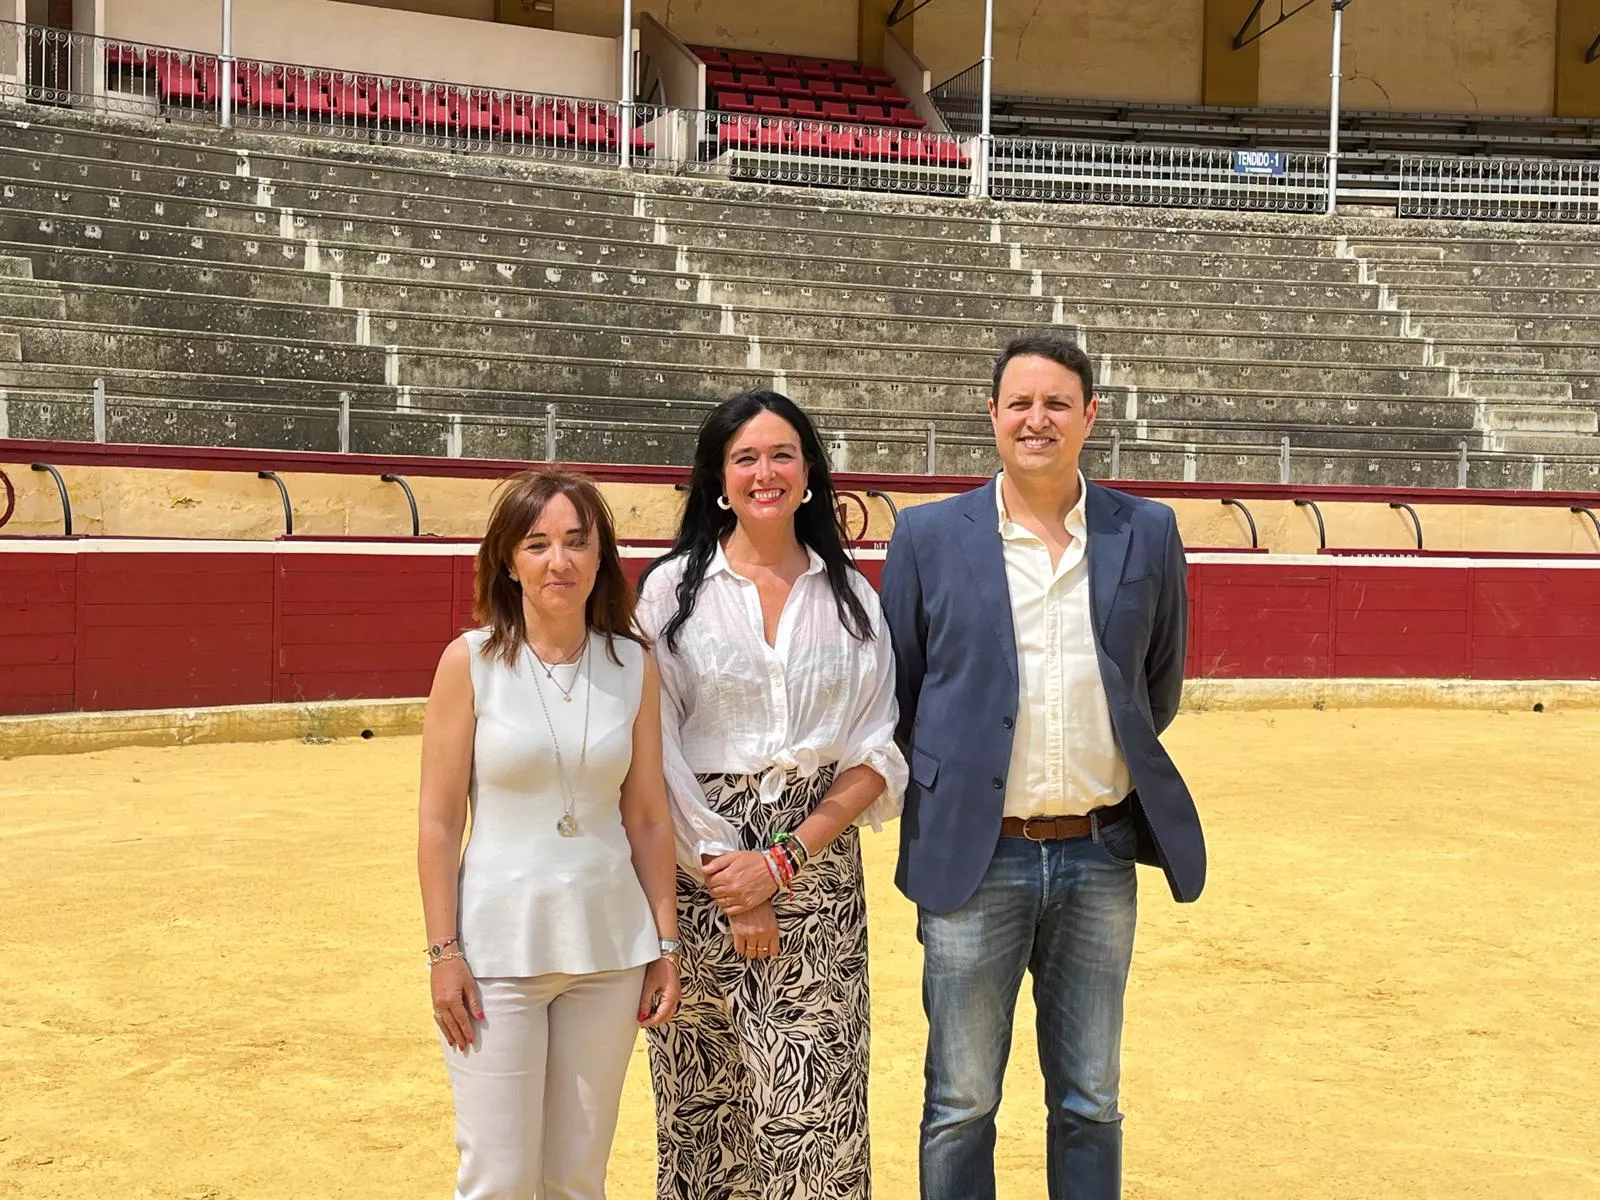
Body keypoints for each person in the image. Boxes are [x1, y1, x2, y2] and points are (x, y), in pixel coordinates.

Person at [879, 331, 1206, 1200]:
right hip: (974, 856)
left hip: (1099, 854)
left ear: (1090, 416)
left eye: (1057, 403)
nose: (1037, 420)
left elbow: (1156, 685)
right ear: (992, 416)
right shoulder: (926, 536)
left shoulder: (1148, 530)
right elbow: (901, 694)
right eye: (1019, 403)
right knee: (960, 1100)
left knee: (1092, 1099)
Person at [636, 390, 907, 1200]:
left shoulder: (854, 600)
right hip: (695, 878)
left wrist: (781, 862)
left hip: (816, 880)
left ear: (811, 474)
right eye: (745, 458)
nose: (765, 472)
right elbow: (653, 750)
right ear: (718, 479)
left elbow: (876, 749)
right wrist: (729, 873)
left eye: (782, 455)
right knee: (703, 1111)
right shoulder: (668, 593)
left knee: (814, 1120)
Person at [417, 467, 683, 1200]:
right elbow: (438, 823)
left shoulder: (633, 663)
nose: (557, 561)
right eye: (537, 544)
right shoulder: (468, 663)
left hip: (609, 949)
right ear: (507, 559)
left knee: (575, 1178)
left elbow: (649, 816)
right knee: (498, 1178)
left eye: (575, 542)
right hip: (496, 954)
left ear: (601, 557)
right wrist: (444, 954)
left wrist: (664, 945)